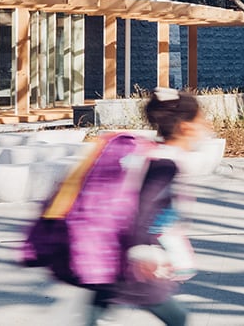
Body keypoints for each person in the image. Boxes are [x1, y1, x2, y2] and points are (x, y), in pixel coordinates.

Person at [84, 88, 209, 325]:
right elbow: (144, 207)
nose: (204, 127)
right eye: (199, 120)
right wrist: (141, 250)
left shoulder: (156, 154)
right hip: (139, 260)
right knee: (178, 318)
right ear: (186, 127)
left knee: (98, 308)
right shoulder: (165, 163)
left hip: (124, 253)